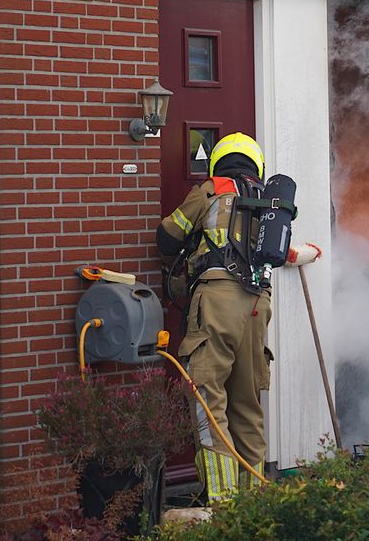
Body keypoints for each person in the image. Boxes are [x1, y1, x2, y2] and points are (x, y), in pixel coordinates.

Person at [157, 131, 273, 501]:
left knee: (208, 402)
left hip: (217, 301)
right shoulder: (270, 199)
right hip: (257, 306)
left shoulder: (211, 188)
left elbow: (168, 236)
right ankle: (254, 503)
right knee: (247, 406)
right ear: (256, 164)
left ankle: (222, 504)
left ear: (216, 162)